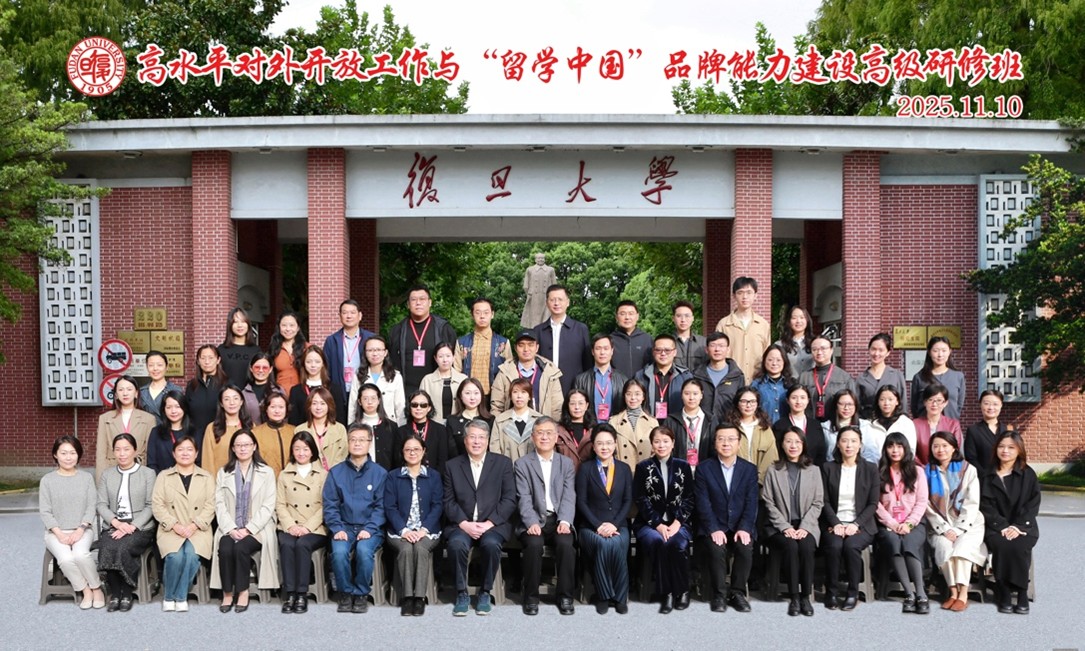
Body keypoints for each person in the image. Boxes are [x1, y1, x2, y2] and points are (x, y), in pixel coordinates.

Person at [443, 419, 517, 616]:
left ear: (488, 440)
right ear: (465, 440)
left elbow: (509, 499)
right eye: (472, 437)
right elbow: (448, 501)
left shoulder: (502, 463)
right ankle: (461, 593)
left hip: (493, 524)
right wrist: (464, 523)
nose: (477, 442)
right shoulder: (452, 466)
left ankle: (485, 592)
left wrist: (489, 523)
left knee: (491, 545)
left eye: (481, 437)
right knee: (456, 545)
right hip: (462, 524)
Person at [514, 417, 577, 616]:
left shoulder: (566, 463)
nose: (544, 437)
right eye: (540, 433)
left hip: (558, 519)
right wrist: (531, 522)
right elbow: (523, 497)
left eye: (549, 433)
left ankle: (565, 596)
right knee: (533, 545)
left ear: (556, 437)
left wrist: (565, 520)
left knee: (566, 544)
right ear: (533, 437)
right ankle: (531, 597)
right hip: (533, 519)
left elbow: (569, 495)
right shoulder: (522, 464)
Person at [211, 429, 279, 613]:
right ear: (233, 448)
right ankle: (227, 593)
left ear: (254, 446)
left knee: (241, 548)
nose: (243, 449)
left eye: (247, 445)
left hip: (258, 527)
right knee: (225, 547)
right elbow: (219, 504)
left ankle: (242, 591)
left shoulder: (267, 472)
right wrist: (231, 528)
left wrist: (248, 529)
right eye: (239, 445)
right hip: (230, 525)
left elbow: (268, 505)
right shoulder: (223, 472)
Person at [323, 423, 388, 614]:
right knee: (339, 552)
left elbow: (381, 507)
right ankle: (345, 593)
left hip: (370, 528)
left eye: (362, 440)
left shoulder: (380, 473)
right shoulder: (336, 472)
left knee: (364, 550)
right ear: (348, 442)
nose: (357, 443)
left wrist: (370, 528)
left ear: (370, 442)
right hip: (343, 526)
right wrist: (337, 528)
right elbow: (330, 504)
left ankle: (361, 593)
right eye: (353, 440)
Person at [695, 423, 759, 613]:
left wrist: (745, 527)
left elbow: (751, 502)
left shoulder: (749, 469)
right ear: (715, 443)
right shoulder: (704, 469)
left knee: (745, 547)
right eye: (721, 439)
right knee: (716, 548)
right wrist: (713, 528)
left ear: (739, 443)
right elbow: (703, 503)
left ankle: (737, 593)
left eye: (731, 439)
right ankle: (719, 594)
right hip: (714, 525)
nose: (726, 443)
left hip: (740, 525)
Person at [761, 426, 824, 616]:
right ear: (782, 444)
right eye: (788, 441)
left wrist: (805, 527)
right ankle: (794, 597)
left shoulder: (814, 470)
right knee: (790, 546)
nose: (793, 445)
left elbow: (818, 502)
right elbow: (768, 501)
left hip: (806, 524)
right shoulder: (773, 470)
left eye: (797, 442)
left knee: (806, 546)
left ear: (803, 445)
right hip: (779, 526)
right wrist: (785, 527)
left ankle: (806, 596)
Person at [634, 426, 695, 614]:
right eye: (657, 441)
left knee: (676, 545)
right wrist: (658, 525)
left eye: (666, 441)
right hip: (649, 523)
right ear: (652, 444)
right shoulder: (643, 467)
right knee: (659, 543)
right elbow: (641, 499)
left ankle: (683, 590)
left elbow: (689, 498)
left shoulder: (683, 466)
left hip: (679, 522)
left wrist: (677, 522)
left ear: (673, 443)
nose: (661, 445)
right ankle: (667, 593)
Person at [39, 435, 105, 610]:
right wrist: (59, 534)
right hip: (55, 532)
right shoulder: (47, 480)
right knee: (66, 559)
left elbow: (91, 507)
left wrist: (80, 529)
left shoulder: (86, 478)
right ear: (55, 455)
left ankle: (97, 588)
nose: (68, 457)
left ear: (78, 455)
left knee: (81, 555)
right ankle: (86, 590)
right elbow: (45, 511)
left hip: (83, 530)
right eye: (63, 453)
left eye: (72, 453)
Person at [152, 435, 215, 613]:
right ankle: (169, 597)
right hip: (171, 528)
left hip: (198, 529)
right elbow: (157, 505)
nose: (185, 453)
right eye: (180, 449)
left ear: (196, 453)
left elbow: (211, 505)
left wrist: (194, 525)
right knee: (175, 556)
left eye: (189, 449)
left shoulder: (206, 477)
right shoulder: (164, 476)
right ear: (174, 454)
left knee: (191, 555)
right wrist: (175, 525)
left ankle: (179, 596)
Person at [925, 431, 986, 612]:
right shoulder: (926, 472)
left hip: (969, 523)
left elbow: (972, 502)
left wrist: (958, 529)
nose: (940, 450)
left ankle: (963, 594)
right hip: (940, 525)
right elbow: (926, 505)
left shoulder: (968, 469)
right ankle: (953, 592)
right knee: (944, 548)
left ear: (954, 448)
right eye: (936, 446)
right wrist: (945, 529)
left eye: (945, 446)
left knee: (961, 549)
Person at [980, 431, 1040, 615]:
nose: (1005, 451)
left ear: (1019, 450)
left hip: (1023, 526)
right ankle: (1004, 591)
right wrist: (1003, 526)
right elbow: (985, 506)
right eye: (1001, 446)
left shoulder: (1027, 474)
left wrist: (1017, 526)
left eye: (1011, 447)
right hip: (995, 527)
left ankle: (1022, 593)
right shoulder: (987, 475)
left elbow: (1032, 504)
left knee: (1019, 545)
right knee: (1003, 545)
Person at [820, 425, 879, 611]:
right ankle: (831, 592)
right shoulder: (828, 468)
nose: (849, 445)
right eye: (844, 441)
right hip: (833, 523)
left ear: (860, 445)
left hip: (861, 524)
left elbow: (873, 503)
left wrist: (855, 524)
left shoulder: (870, 469)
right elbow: (824, 500)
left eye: (854, 441)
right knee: (835, 545)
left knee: (851, 546)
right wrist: (836, 523)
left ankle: (853, 593)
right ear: (838, 444)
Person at [576, 423, 633, 614]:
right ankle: (604, 595)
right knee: (603, 544)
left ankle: (620, 596)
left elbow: (628, 501)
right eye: (600, 443)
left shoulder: (624, 469)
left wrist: (614, 524)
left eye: (609, 443)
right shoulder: (585, 469)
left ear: (615, 444)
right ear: (593, 446)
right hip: (591, 526)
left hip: (618, 525)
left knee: (615, 543)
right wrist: (598, 525)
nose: (604, 447)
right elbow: (581, 502)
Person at [96, 433, 157, 612]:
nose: (122, 454)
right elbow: (101, 504)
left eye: (126, 449)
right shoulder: (107, 475)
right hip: (114, 525)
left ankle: (127, 592)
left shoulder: (147, 474)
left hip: (140, 526)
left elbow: (151, 505)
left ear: (135, 451)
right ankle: (115, 594)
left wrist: (132, 526)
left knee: (123, 547)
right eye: (118, 450)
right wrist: (116, 523)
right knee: (107, 546)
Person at [385, 434, 444, 617]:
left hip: (427, 530)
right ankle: (407, 597)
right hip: (399, 531)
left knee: (420, 548)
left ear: (424, 451)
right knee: (405, 549)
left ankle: (419, 598)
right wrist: (404, 530)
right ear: (402, 452)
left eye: (416, 449)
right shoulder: (393, 476)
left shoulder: (433, 476)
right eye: (408, 449)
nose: (412, 453)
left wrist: (423, 530)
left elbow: (438, 505)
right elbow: (390, 507)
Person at [876, 431, 930, 614]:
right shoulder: (879, 472)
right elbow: (875, 503)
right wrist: (892, 524)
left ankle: (921, 593)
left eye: (899, 446)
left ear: (906, 449)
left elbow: (922, 501)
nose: (895, 450)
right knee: (893, 543)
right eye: (890, 446)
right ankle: (909, 594)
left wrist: (909, 524)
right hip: (887, 524)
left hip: (913, 523)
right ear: (885, 449)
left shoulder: (917, 472)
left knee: (909, 543)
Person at [275, 431, 328, 614]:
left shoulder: (323, 474)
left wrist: (307, 527)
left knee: (303, 544)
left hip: (315, 527)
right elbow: (280, 504)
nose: (301, 453)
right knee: (287, 544)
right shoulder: (284, 474)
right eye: (297, 449)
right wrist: (291, 525)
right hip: (290, 525)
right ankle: (290, 593)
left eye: (305, 449)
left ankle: (302, 594)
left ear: (312, 451)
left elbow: (326, 506)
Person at [388, 285, 458, 395]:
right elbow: (391, 362)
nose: (418, 303)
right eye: (414, 300)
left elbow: (454, 360)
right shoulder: (398, 330)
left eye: (422, 299)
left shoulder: (443, 329)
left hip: (436, 389)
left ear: (430, 302)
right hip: (405, 391)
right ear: (408, 304)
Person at [490, 329, 563, 420]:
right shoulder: (505, 372)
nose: (526, 349)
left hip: (542, 426)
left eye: (530, 345)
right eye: (521, 345)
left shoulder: (550, 373)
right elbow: (496, 406)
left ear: (537, 347)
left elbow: (557, 408)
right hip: (512, 425)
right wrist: (502, 425)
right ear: (515, 348)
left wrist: (551, 426)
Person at [534, 284, 592, 396]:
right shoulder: (538, 331)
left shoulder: (580, 329)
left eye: (560, 299)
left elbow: (587, 362)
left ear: (568, 302)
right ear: (547, 303)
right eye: (552, 300)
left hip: (574, 389)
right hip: (545, 389)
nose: (556, 303)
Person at [323, 299, 375, 420]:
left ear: (360, 316)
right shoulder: (332, 340)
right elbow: (326, 368)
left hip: (364, 390)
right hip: (339, 391)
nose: (349, 316)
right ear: (340, 316)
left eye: (352, 312)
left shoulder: (370, 338)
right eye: (345, 312)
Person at [96, 374, 155, 480]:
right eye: (121, 390)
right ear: (116, 395)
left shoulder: (148, 419)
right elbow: (101, 453)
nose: (125, 393)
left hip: (139, 471)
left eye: (129, 389)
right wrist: (100, 480)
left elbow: (150, 454)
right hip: (112, 470)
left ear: (136, 393)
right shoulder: (105, 418)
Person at [454, 297, 511, 404]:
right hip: (468, 396)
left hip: (495, 396)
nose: (482, 316)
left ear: (492, 314)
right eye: (478, 312)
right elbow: (456, 371)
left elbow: (508, 372)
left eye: (486, 312)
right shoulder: (462, 343)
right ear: (472, 315)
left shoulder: (503, 343)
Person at [714, 277, 771, 382]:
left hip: (757, 382)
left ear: (755, 295)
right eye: (740, 293)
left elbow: (767, 355)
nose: (745, 297)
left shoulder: (763, 325)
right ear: (734, 296)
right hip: (730, 381)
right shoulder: (724, 325)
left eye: (749, 292)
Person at [347, 335, 406, 426]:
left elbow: (400, 406)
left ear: (385, 352)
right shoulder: (359, 375)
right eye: (370, 350)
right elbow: (353, 405)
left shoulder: (395, 376)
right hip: (364, 425)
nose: (375, 354)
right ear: (365, 353)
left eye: (378, 350)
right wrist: (351, 427)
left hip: (388, 424)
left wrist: (401, 429)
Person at [635, 333, 694, 422]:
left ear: (675, 352)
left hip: (676, 425)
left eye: (667, 350)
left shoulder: (685, 376)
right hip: (648, 425)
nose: (663, 353)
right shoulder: (641, 376)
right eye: (658, 350)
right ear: (653, 352)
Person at [726, 386, 779, 484]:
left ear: (757, 404)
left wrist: (759, 481)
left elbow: (771, 457)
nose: (748, 405)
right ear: (737, 403)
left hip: (761, 483)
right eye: (744, 401)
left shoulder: (765, 428)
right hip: (734, 482)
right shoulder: (729, 428)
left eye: (753, 401)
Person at [662, 378, 717, 470]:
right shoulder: (671, 421)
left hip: (704, 471)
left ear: (701, 395)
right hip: (678, 471)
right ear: (681, 395)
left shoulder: (710, 420)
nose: (691, 398)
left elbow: (715, 448)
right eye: (687, 393)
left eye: (695, 394)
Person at [693, 332, 747, 423]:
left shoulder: (737, 376)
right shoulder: (696, 375)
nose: (717, 349)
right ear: (706, 349)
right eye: (713, 345)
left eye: (721, 346)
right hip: (701, 426)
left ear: (728, 349)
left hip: (728, 425)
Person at [799, 337, 856, 422]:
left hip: (835, 424)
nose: (819, 352)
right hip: (809, 424)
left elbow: (853, 404)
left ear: (831, 350)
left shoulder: (844, 377)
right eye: (815, 349)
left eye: (823, 348)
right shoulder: (804, 377)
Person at [573, 333, 628, 421]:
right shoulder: (581, 380)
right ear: (592, 352)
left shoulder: (623, 380)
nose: (602, 352)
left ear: (612, 351)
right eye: (598, 348)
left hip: (615, 426)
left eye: (606, 348)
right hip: (590, 426)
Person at [201, 385, 253, 476]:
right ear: (221, 403)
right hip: (221, 480)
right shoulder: (212, 428)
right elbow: (207, 461)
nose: (231, 402)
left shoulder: (250, 426)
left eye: (235, 398)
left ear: (241, 402)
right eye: (226, 399)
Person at [911, 336, 966, 420]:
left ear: (949, 352)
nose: (940, 355)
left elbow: (959, 405)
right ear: (929, 352)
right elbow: (914, 406)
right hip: (925, 424)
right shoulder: (919, 377)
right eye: (935, 351)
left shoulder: (958, 376)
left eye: (944, 350)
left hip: (950, 424)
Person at [772, 385, 828, 469]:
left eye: (802, 398)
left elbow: (821, 454)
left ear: (808, 400)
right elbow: (776, 452)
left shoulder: (815, 425)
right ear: (787, 400)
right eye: (794, 398)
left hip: (811, 470)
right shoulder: (779, 425)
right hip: (785, 470)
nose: (798, 401)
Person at [609, 378, 658, 474]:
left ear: (643, 397)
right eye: (629, 394)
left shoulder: (653, 422)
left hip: (646, 473)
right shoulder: (613, 422)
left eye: (637, 394)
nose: (633, 398)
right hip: (622, 472)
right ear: (624, 396)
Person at [398, 390, 453, 475]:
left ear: (429, 408)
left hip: (433, 478)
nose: (418, 408)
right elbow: (398, 460)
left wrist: (435, 478)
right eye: (414, 405)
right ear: (409, 407)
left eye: (423, 405)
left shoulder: (440, 430)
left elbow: (443, 460)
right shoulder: (401, 431)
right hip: (407, 477)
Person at [294, 388, 348, 472]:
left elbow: (343, 455)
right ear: (309, 406)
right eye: (314, 403)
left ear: (329, 405)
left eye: (323, 403)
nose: (318, 407)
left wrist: (332, 474)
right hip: (310, 475)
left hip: (335, 475)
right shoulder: (300, 430)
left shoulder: (340, 429)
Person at [491, 378, 544, 463]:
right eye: (515, 392)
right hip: (507, 469)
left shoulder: (540, 420)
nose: (519, 396)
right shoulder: (500, 420)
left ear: (529, 396)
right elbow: (495, 451)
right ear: (510, 396)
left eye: (523, 392)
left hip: (533, 469)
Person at [289, 345, 344, 426]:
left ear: (323, 363)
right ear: (304, 363)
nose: (313, 365)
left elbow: (340, 419)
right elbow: (293, 421)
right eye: (309, 362)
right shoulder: (296, 391)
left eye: (317, 362)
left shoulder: (334, 389)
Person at [855, 333, 907, 421]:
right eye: (873, 349)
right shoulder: (861, 379)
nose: (876, 353)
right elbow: (857, 406)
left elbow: (903, 404)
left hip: (893, 422)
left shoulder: (897, 375)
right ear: (869, 350)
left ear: (888, 353)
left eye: (881, 350)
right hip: (868, 422)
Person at [350, 383, 400, 470]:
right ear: (359, 402)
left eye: (373, 398)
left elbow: (396, 457)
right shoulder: (352, 428)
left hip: (386, 474)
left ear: (379, 400)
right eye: (365, 398)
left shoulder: (391, 426)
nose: (369, 402)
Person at [146, 390, 198, 474]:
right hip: (162, 479)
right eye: (169, 407)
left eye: (177, 407)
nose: (173, 411)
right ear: (164, 410)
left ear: (184, 408)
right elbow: (151, 463)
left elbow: (199, 461)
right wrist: (163, 478)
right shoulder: (156, 432)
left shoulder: (195, 432)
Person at [913, 383, 964, 466]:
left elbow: (956, 450)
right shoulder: (915, 424)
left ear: (945, 403)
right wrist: (924, 468)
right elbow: (911, 451)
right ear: (925, 402)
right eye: (930, 400)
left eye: (939, 400)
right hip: (921, 469)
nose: (934, 404)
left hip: (947, 470)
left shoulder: (953, 425)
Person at [865, 385, 917, 463]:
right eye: (882, 399)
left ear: (897, 401)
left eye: (890, 399)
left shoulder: (906, 423)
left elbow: (910, 450)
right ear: (877, 402)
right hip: (874, 467)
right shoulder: (869, 424)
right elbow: (866, 451)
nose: (886, 403)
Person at [966, 389, 1012, 475]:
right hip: (983, 478)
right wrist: (986, 476)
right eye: (986, 403)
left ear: (1001, 405)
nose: (991, 407)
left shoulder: (1008, 430)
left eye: (995, 404)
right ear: (980, 405)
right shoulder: (973, 431)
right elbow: (971, 458)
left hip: (1008, 477)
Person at [419, 342, 467, 424]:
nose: (445, 360)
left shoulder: (463, 379)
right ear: (435, 358)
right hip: (433, 424)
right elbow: (421, 405)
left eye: (448, 356)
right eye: (441, 356)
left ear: (453, 357)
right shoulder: (427, 380)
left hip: (458, 425)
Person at [820, 389, 872, 466]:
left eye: (850, 404)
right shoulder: (825, 427)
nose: (846, 408)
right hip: (833, 468)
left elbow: (870, 454)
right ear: (836, 405)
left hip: (860, 468)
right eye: (842, 404)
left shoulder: (865, 426)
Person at [186, 344, 228, 438]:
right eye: (203, 358)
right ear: (198, 361)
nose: (207, 362)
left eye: (211, 358)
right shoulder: (191, 386)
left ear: (218, 360)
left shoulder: (227, 385)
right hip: (195, 437)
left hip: (220, 436)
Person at [251, 388, 294, 477]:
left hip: (291, 481)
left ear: (286, 409)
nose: (277, 411)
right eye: (273, 407)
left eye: (281, 407)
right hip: (265, 480)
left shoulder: (294, 431)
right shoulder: (255, 433)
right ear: (266, 409)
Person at [445, 378, 493, 458]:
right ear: (460, 395)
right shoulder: (452, 420)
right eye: (468, 393)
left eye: (476, 393)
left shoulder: (490, 420)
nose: (472, 397)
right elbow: (451, 450)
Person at [750, 343, 794, 425]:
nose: (774, 363)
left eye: (778, 360)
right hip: (763, 427)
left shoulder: (791, 384)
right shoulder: (756, 384)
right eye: (770, 360)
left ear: (784, 361)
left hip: (786, 429)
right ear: (764, 361)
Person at [218, 307, 261, 388]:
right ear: (230, 325)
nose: (240, 325)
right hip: (228, 393)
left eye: (243, 321)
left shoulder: (256, 350)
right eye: (235, 322)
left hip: (250, 394)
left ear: (248, 324)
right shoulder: (222, 350)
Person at [610, 300, 653, 379]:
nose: (627, 317)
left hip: (641, 385)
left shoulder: (647, 339)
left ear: (637, 316)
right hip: (616, 385)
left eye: (631, 313)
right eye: (622, 314)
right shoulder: (609, 340)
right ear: (616, 317)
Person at [268, 310, 306, 399]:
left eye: (292, 325)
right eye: (284, 325)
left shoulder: (307, 348)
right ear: (279, 327)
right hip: (280, 396)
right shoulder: (274, 348)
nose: (288, 329)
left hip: (303, 395)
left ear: (298, 328)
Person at [555, 388, 596, 471]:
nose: (577, 407)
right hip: (565, 475)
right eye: (572, 403)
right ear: (567, 405)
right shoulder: (558, 430)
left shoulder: (595, 430)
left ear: (587, 405)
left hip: (589, 475)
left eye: (581, 403)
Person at [138, 350, 183, 425]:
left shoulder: (176, 390)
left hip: (169, 430)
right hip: (147, 431)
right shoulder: (142, 392)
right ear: (147, 367)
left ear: (167, 367)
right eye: (151, 365)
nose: (155, 368)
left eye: (159, 365)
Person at [776, 305, 814, 380]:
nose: (798, 321)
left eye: (802, 317)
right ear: (789, 321)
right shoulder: (779, 345)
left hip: (812, 385)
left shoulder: (814, 343)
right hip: (789, 385)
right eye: (794, 318)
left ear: (807, 320)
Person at [521, 252, 556, 327]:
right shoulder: (530, 270)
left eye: (542, 258)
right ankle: (534, 331)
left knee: (547, 315)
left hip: (546, 297)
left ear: (545, 259)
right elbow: (525, 285)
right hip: (534, 297)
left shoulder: (550, 270)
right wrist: (529, 294)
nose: (541, 260)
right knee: (534, 318)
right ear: (535, 259)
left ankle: (545, 330)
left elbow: (554, 285)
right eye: (539, 258)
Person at [241, 352, 276, 426]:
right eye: (257, 367)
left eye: (265, 368)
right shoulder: (243, 394)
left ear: (270, 369)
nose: (261, 370)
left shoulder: (278, 391)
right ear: (251, 368)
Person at [672, 300, 706, 372]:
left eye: (687, 316)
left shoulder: (703, 342)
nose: (683, 320)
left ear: (693, 318)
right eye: (679, 316)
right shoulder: (667, 343)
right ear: (673, 318)